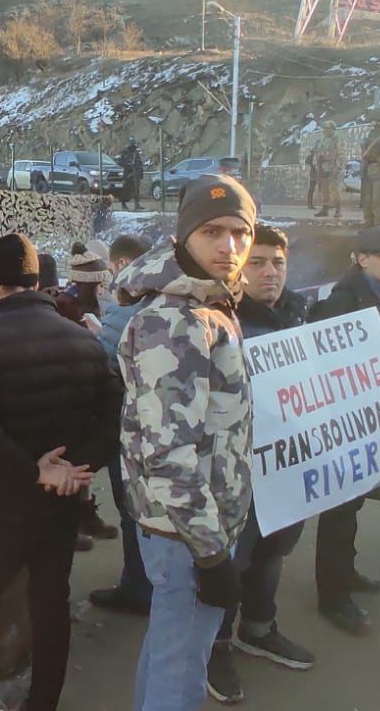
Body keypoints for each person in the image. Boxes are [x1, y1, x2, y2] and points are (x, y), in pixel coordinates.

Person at [0, 234, 121, 711]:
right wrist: (78, 470)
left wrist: (34, 472)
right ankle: (43, 703)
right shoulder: (84, 340)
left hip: (1, 502)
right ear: (37, 282)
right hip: (61, 506)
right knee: (50, 606)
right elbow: (115, 414)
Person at [116, 175, 257, 711]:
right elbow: (170, 457)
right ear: (183, 239)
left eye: (240, 233)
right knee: (179, 674)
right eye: (212, 232)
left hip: (191, 527)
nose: (230, 247)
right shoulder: (177, 322)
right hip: (188, 535)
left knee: (170, 652)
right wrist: (212, 554)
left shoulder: (210, 308)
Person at [205, 224, 317, 704]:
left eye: (278, 263)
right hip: (237, 473)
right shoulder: (217, 322)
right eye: (258, 262)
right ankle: (215, 646)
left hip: (289, 467)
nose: (270, 272)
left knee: (274, 551)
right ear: (239, 268)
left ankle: (259, 626)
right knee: (235, 559)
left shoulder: (301, 315)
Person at [310, 226, 380, 637]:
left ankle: (345, 572)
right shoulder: (343, 301)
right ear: (361, 258)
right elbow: (325, 363)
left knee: (352, 505)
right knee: (337, 509)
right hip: (344, 420)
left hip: (372, 416)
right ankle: (332, 596)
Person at [87, 234, 156, 615]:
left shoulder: (123, 311)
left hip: (128, 429)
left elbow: (104, 368)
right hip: (164, 430)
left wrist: (96, 337)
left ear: (121, 264)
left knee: (133, 512)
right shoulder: (171, 302)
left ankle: (137, 587)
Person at [310, 121, 343, 219]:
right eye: (325, 128)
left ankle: (338, 210)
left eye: (328, 128)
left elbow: (341, 154)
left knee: (334, 189)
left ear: (333, 129)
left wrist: (338, 167)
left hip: (333, 167)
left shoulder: (337, 140)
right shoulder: (321, 140)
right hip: (322, 167)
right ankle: (324, 209)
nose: (326, 130)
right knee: (324, 190)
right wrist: (317, 165)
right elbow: (316, 152)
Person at [117, 138, 145, 210]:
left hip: (136, 174)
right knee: (127, 190)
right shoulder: (124, 152)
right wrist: (128, 166)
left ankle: (137, 204)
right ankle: (123, 204)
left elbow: (139, 163)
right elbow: (120, 162)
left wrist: (141, 172)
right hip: (128, 174)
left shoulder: (136, 153)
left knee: (136, 190)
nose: (134, 147)